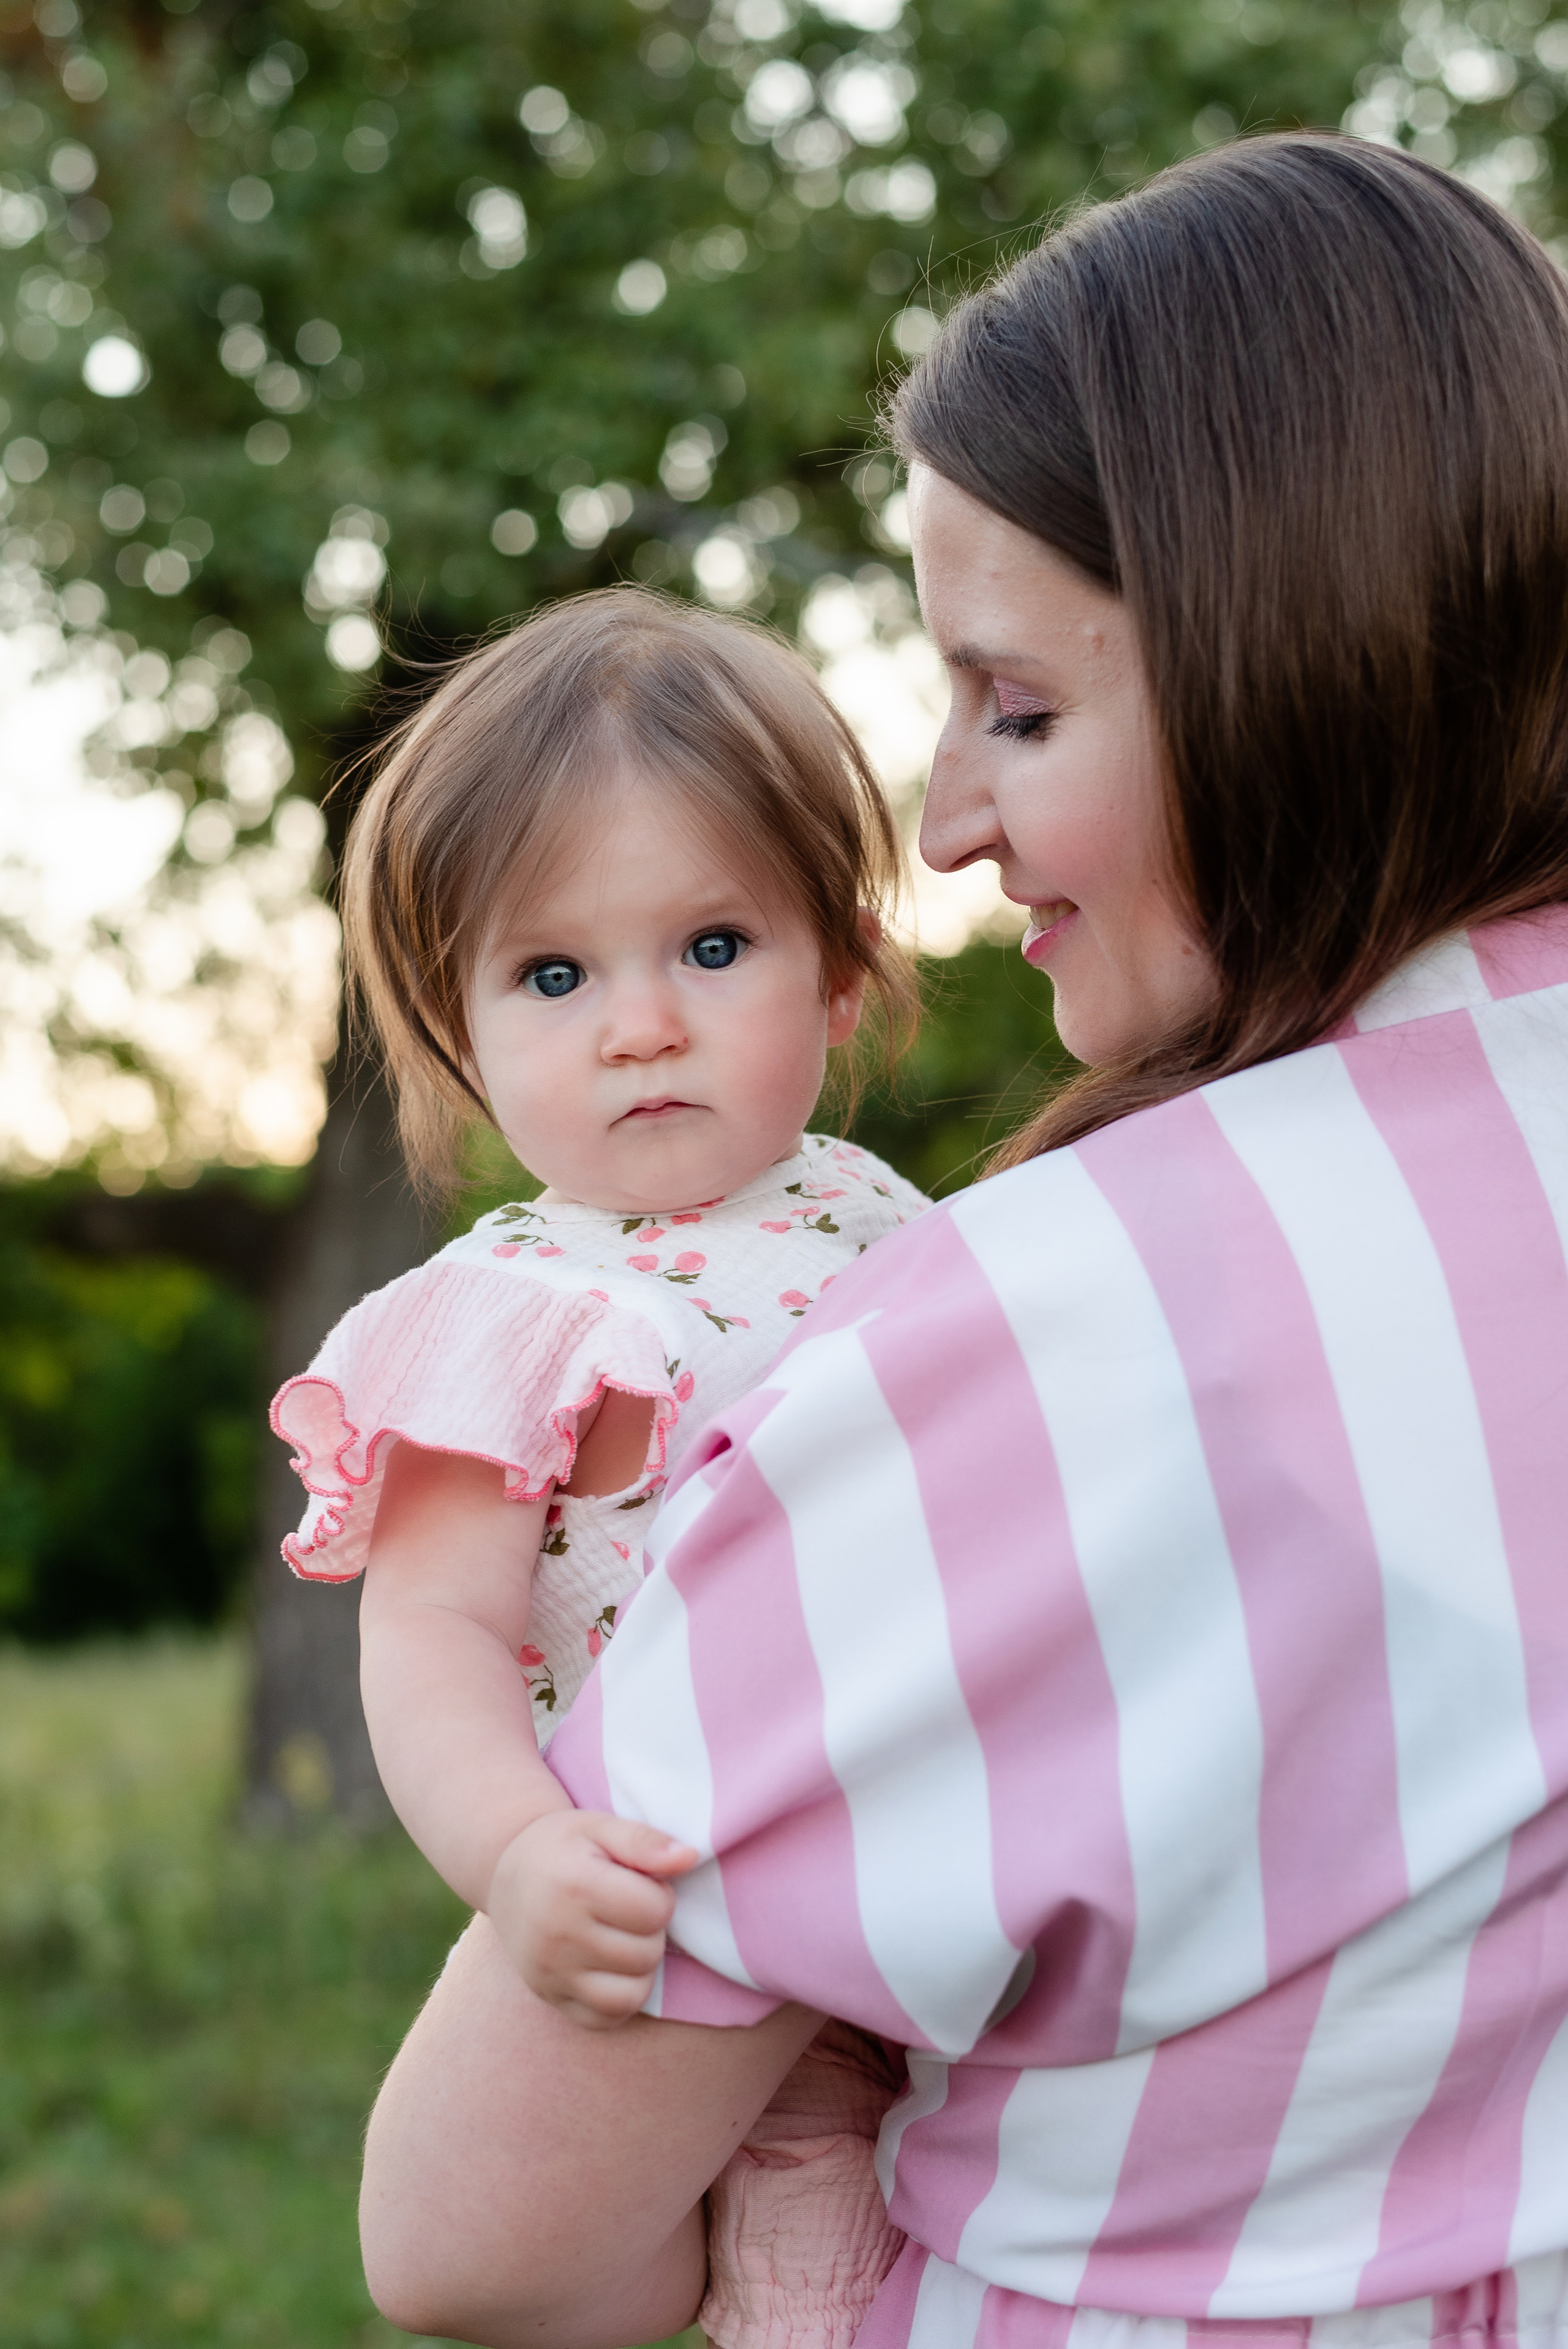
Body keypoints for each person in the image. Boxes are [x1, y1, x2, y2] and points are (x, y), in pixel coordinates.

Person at [356, 132, 1568, 2349]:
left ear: (1293, 658)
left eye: (1020, 704)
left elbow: (474, 2243)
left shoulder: (1043, 1325)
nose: (943, 822)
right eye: (550, 974)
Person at [269, 588, 926, 2348]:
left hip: (951, 1867)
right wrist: (518, 1859)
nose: (639, 1024)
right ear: (460, 1025)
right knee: (818, 2262)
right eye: (554, 976)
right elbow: (434, 1637)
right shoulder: (513, 1315)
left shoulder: (888, 1225)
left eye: (711, 945)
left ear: (840, 963)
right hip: (693, 1915)